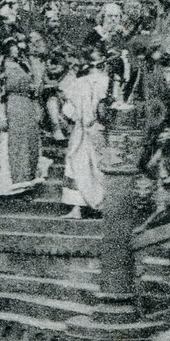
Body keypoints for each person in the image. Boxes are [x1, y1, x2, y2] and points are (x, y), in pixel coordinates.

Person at [60, 53, 110, 218]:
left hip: (82, 129)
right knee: (97, 165)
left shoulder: (78, 83)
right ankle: (102, 204)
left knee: (78, 166)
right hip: (100, 129)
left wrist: (78, 117)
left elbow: (68, 110)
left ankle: (78, 208)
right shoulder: (106, 81)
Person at [0, 41, 43, 196]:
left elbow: (35, 86)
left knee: (30, 145)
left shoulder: (25, 65)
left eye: (19, 47)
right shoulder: (0, 66)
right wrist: (1, 116)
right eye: (14, 47)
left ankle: (28, 184)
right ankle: (12, 187)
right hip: (12, 106)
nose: (17, 50)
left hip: (26, 107)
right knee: (14, 145)